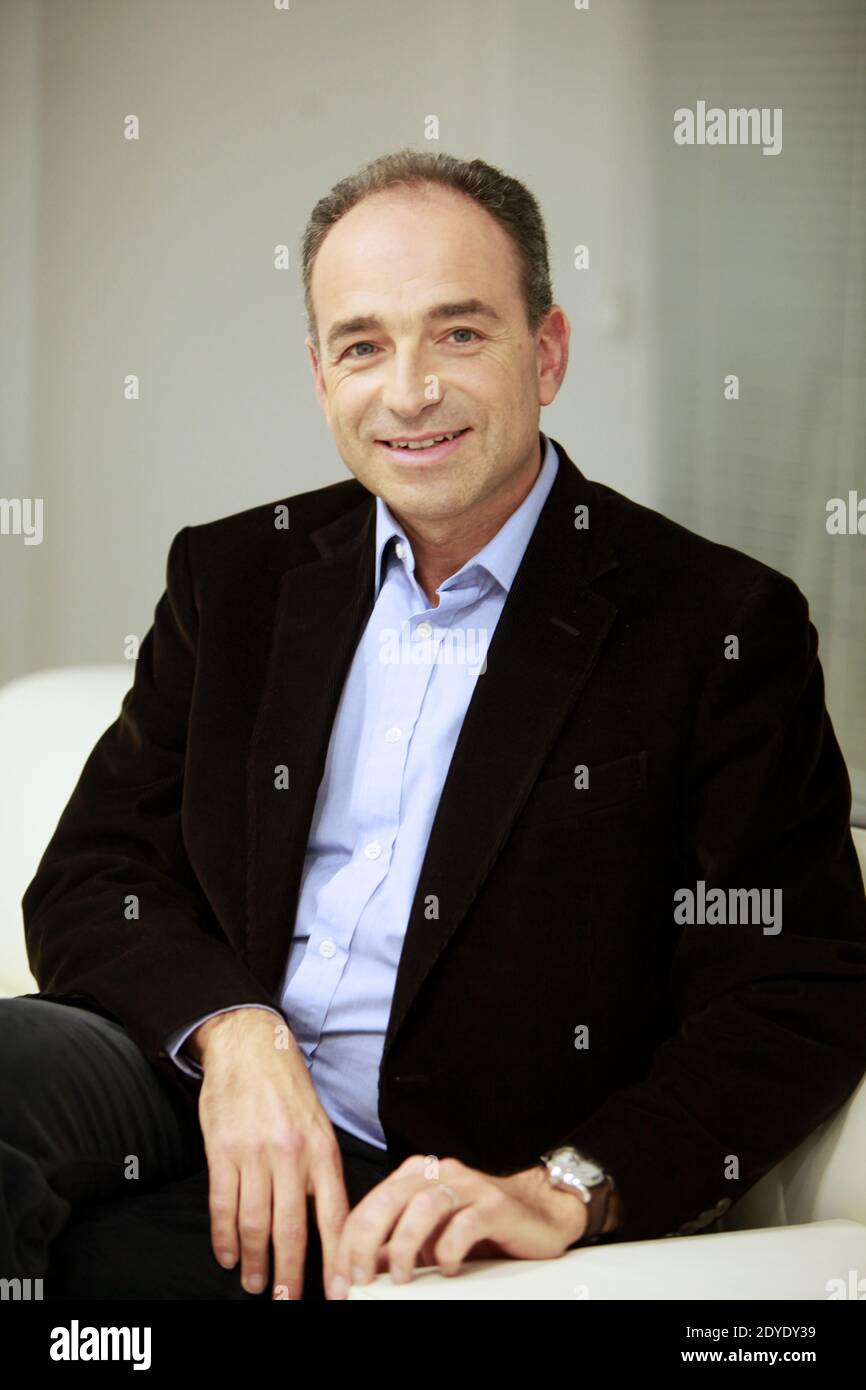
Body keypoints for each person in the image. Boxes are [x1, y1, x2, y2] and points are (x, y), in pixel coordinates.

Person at [6, 149, 866, 1302]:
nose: (407, 391)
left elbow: (795, 983)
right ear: (319, 376)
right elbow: (92, 869)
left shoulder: (715, 624)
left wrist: (566, 1184)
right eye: (362, 344)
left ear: (544, 352)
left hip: (436, 1168)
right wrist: (234, 1033)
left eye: (458, 334)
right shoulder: (235, 575)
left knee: (104, 1275)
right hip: (189, 1076)